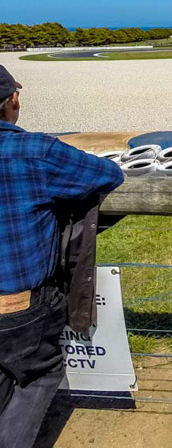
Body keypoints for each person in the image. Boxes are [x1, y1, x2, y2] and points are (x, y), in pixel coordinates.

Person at [0, 64, 124, 448]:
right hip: (19, 305)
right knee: (38, 375)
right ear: (12, 101)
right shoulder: (32, 150)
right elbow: (108, 174)